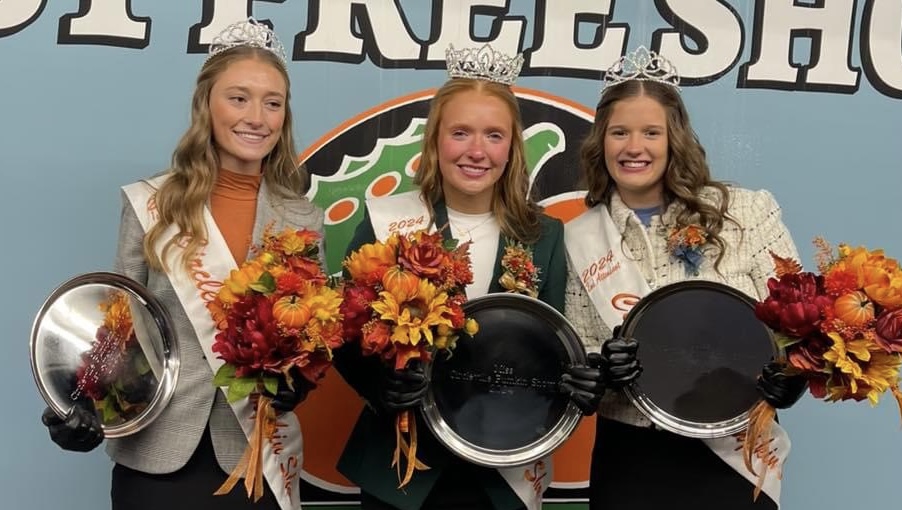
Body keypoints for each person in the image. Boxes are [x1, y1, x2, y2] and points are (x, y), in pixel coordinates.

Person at [40, 18, 322, 510]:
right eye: (238, 98)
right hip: (158, 454)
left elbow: (312, 335)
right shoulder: (152, 203)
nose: (257, 117)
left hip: (257, 453)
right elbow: (118, 327)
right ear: (206, 106)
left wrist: (299, 379)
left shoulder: (304, 218)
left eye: (272, 103)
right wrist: (82, 403)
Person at [333, 44, 605, 510]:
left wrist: (581, 383)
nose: (477, 151)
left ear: (511, 148)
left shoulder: (544, 237)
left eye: (494, 135)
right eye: (461, 133)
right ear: (436, 141)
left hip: (501, 474)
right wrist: (380, 386)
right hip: (401, 469)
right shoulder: (387, 222)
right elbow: (345, 334)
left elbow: (555, 345)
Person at [563, 47, 807, 510]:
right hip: (631, 456)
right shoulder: (579, 239)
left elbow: (797, 320)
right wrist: (601, 373)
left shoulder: (745, 212)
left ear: (674, 139)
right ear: (602, 142)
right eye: (620, 133)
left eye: (651, 132)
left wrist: (791, 375)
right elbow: (578, 353)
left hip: (732, 453)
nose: (634, 147)